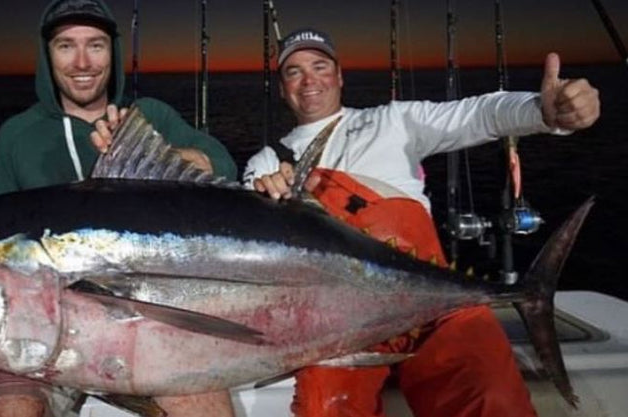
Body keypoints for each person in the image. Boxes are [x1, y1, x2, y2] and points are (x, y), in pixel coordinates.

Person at [243, 28, 599, 417]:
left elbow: (478, 115)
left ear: (340, 76)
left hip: (435, 312)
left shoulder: (392, 122)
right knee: (323, 408)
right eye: (293, 72)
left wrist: (544, 112)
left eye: (319, 66)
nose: (309, 80)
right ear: (282, 89)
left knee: (490, 398)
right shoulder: (265, 163)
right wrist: (263, 199)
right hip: (338, 327)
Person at [0, 0, 237, 416]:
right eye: (66, 46)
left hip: (147, 324)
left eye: (95, 45)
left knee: (204, 409)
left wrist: (155, 151)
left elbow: (222, 165)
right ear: (47, 56)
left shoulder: (148, 115)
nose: (82, 62)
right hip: (38, 330)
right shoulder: (17, 136)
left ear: (111, 53)